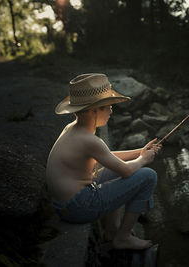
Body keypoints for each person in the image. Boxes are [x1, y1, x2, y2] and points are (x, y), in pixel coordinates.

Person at [46, 73, 162, 250]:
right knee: (148, 176)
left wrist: (140, 152)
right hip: (79, 207)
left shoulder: (73, 129)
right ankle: (122, 238)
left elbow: (106, 155)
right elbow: (127, 171)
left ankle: (112, 230)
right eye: (107, 107)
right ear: (93, 111)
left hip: (64, 205)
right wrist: (143, 159)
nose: (111, 111)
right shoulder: (89, 140)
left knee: (114, 170)